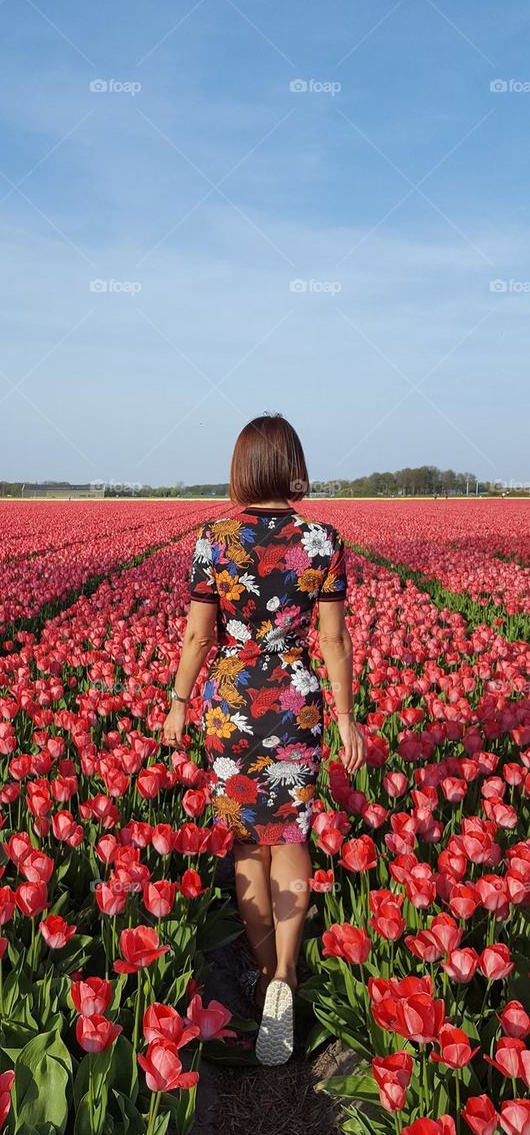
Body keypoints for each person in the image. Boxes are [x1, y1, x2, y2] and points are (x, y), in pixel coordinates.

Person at [162, 413, 366, 1064]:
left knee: (248, 839)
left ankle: (260, 972)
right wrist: (345, 717)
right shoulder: (322, 538)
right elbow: (333, 639)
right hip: (298, 704)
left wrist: (176, 703)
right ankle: (287, 971)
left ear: (243, 468)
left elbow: (198, 636)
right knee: (292, 835)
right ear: (293, 464)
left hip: (232, 706)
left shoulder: (214, 539)